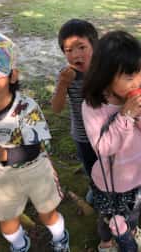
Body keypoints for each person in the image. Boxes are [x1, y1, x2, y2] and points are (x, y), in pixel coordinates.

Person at [0, 30, 69, 251]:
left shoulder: (26, 108)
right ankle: (20, 245)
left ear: (12, 76)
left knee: (48, 214)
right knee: (7, 224)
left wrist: (1, 154)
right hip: (4, 178)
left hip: (37, 172)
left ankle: (61, 238)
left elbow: (35, 149)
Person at [82, 31, 141, 252]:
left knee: (134, 213)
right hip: (112, 185)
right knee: (109, 219)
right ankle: (106, 241)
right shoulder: (93, 107)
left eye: (140, 74)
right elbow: (103, 147)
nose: (137, 82)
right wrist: (125, 116)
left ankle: (133, 230)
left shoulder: (139, 99)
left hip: (140, 175)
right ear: (106, 75)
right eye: (129, 77)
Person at [51, 19, 98, 204]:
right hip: (82, 135)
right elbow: (56, 108)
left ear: (94, 47)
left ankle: (111, 189)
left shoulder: (103, 70)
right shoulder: (66, 75)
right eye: (69, 50)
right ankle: (95, 188)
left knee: (109, 166)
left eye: (81, 47)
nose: (76, 55)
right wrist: (63, 84)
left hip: (108, 133)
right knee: (90, 166)